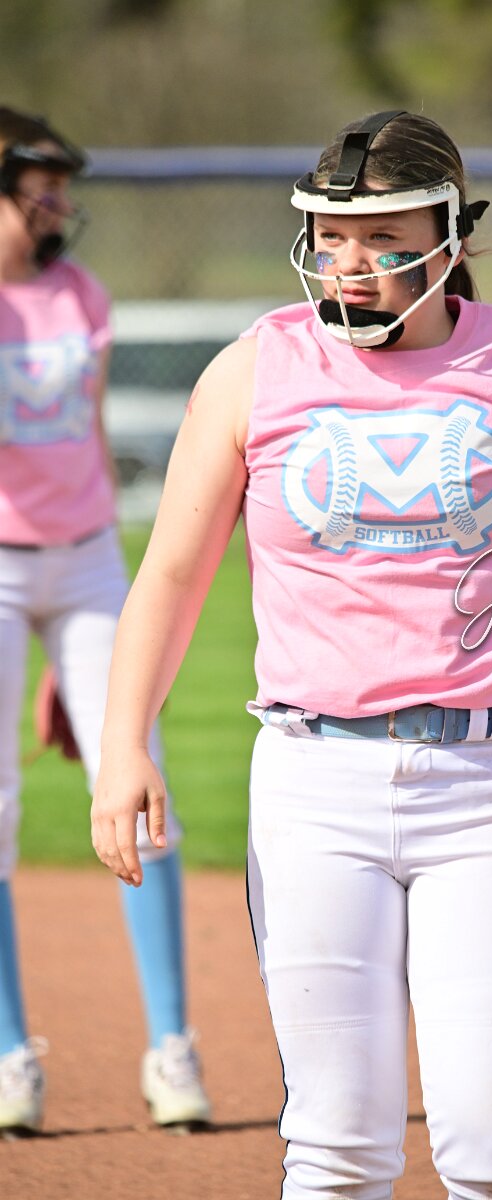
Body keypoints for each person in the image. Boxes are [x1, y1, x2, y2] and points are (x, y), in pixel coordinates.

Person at [91, 111, 492, 1199]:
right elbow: (170, 576)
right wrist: (122, 743)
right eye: (330, 238)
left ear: (450, 240)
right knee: (337, 1152)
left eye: (382, 239)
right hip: (311, 784)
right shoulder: (253, 370)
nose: (350, 263)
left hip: (486, 784)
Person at [0, 105, 211, 1135]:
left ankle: (172, 1046)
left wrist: (87, 641)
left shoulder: (80, 293)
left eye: (61, 190)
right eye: (39, 189)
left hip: (85, 561)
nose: (58, 207)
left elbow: (84, 440)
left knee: (137, 779)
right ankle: (9, 1056)